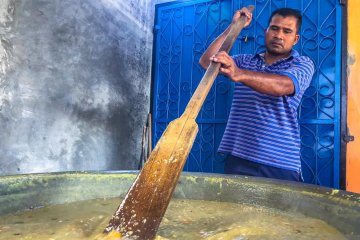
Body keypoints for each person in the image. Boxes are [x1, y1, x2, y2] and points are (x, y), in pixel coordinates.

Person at [199, 7, 315, 182]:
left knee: (278, 210)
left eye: (287, 31)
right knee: (235, 209)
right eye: (274, 28)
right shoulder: (245, 61)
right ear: (266, 31)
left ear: (295, 39)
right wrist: (233, 27)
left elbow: (284, 85)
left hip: (279, 163)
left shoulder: (302, 64)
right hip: (239, 157)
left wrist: (239, 74)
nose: (279, 35)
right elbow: (207, 61)